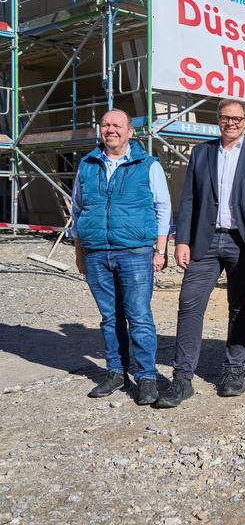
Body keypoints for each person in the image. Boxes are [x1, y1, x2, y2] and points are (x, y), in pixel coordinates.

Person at [154, 99, 245, 409]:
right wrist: (181, 240)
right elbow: (190, 197)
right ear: (217, 120)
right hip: (204, 242)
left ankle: (234, 370)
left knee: (239, 306)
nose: (230, 122)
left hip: (243, 242)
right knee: (189, 304)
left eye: (236, 118)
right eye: (224, 117)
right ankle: (182, 378)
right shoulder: (202, 152)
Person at [71, 108, 171, 405]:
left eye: (117, 125)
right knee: (109, 317)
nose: (110, 129)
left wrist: (160, 250)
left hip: (135, 252)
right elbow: (78, 211)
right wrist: (80, 253)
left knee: (138, 316)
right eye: (105, 124)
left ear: (130, 131)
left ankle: (147, 377)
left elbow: (163, 208)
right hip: (97, 253)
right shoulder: (87, 165)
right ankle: (115, 372)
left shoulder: (147, 165)